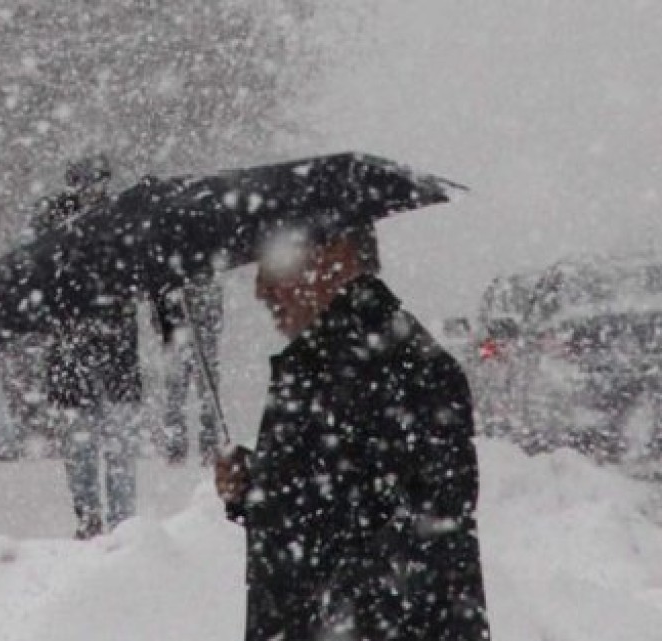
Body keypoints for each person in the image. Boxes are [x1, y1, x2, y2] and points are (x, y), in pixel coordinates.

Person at [214, 220, 491, 640]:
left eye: (273, 264)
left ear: (336, 256)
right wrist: (255, 486)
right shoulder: (324, 363)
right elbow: (332, 502)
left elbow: (415, 540)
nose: (260, 290)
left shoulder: (395, 370)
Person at [34, 153, 145, 539]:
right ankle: (90, 518)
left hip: (113, 349)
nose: (93, 190)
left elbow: (136, 276)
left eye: (98, 182)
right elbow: (44, 284)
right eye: (86, 183)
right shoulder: (54, 227)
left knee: (117, 443)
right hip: (74, 350)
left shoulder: (123, 221)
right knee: (83, 444)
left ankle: (120, 523)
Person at [155, 278, 224, 465]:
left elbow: (214, 299)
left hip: (200, 322)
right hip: (175, 327)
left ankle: (208, 444)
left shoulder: (203, 275)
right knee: (176, 390)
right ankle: (177, 446)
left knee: (206, 388)